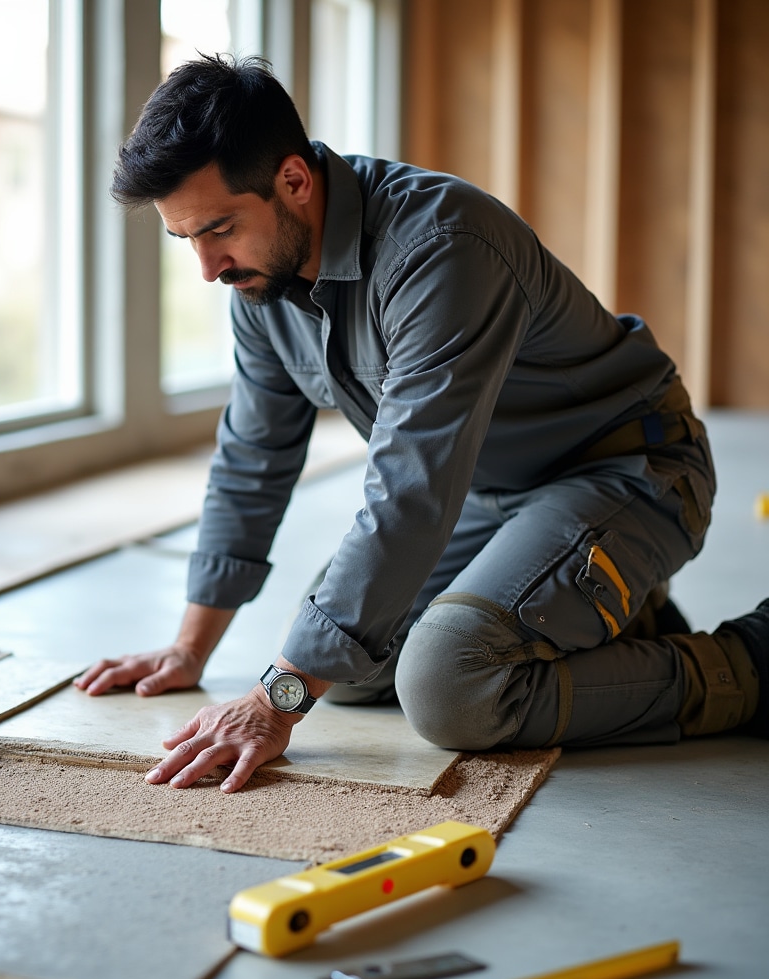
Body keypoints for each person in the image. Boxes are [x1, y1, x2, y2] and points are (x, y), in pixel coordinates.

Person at [73, 54, 769, 793]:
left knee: (447, 685)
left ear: (294, 182)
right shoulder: (260, 282)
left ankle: (751, 662)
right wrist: (189, 651)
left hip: (627, 471)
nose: (208, 269)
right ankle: (616, 617)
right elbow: (253, 457)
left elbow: (412, 490)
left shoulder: (441, 248)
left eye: (219, 230)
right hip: (489, 495)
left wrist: (275, 702)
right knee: (345, 665)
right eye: (187, 241)